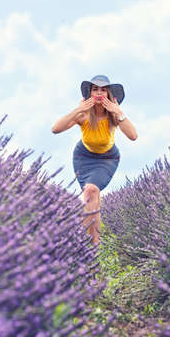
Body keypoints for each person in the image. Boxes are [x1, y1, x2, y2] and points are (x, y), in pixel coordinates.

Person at [52, 75, 137, 244]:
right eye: (95, 89)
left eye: (103, 90)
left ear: (109, 94)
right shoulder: (83, 115)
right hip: (83, 157)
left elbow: (133, 136)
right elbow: (55, 129)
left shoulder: (114, 116)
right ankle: (90, 244)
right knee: (91, 197)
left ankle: (90, 246)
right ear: (89, 94)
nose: (99, 93)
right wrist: (77, 110)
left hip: (107, 159)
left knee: (91, 191)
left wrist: (119, 112)